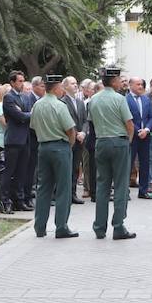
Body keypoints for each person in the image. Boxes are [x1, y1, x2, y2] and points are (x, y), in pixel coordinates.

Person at [89, 67, 137, 240]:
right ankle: (118, 226)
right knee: (121, 185)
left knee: (102, 185)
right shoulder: (119, 99)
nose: (120, 82)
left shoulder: (93, 99)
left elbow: (92, 122)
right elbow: (129, 124)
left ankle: (99, 227)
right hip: (119, 142)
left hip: (101, 141)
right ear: (114, 81)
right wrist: (128, 141)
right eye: (119, 79)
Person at [30, 75, 79, 238]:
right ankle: (61, 226)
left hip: (43, 147)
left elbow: (33, 126)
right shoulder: (60, 105)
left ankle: (40, 226)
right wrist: (69, 145)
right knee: (63, 188)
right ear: (56, 88)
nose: (62, 90)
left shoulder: (37, 105)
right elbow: (70, 130)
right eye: (61, 87)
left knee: (43, 187)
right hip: (60, 147)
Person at [2, 71, 34, 212]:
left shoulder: (26, 97)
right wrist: (28, 114)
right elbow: (19, 116)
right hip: (14, 140)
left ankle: (19, 200)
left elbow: (27, 114)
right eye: (19, 81)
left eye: (23, 80)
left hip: (25, 138)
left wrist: (27, 114)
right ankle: (4, 200)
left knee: (22, 172)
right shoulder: (8, 97)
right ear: (13, 82)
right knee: (9, 172)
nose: (22, 83)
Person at [61, 76, 88, 206]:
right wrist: (76, 133)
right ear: (65, 86)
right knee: (67, 168)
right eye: (72, 83)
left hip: (80, 140)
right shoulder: (62, 102)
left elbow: (85, 120)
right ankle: (65, 194)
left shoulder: (80, 102)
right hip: (69, 139)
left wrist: (83, 132)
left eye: (76, 83)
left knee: (76, 168)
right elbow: (66, 121)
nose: (75, 85)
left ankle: (73, 193)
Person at [126, 77, 152, 199]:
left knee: (145, 163)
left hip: (145, 136)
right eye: (138, 84)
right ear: (130, 85)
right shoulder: (125, 100)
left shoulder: (146, 99)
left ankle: (143, 190)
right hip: (133, 136)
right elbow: (128, 118)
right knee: (128, 163)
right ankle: (124, 191)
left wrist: (147, 130)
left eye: (142, 84)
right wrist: (138, 130)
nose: (141, 87)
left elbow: (151, 116)